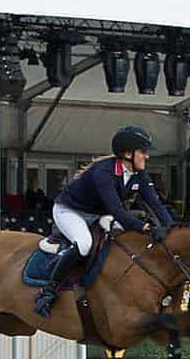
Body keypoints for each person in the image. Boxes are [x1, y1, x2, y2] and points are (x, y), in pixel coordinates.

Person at [36, 126, 173, 317]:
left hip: (98, 214)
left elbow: (156, 206)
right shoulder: (104, 172)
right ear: (127, 153)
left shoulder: (139, 174)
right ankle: (49, 290)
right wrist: (146, 227)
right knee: (84, 245)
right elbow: (116, 210)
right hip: (70, 210)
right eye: (143, 152)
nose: (147, 156)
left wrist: (172, 230)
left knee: (128, 241)